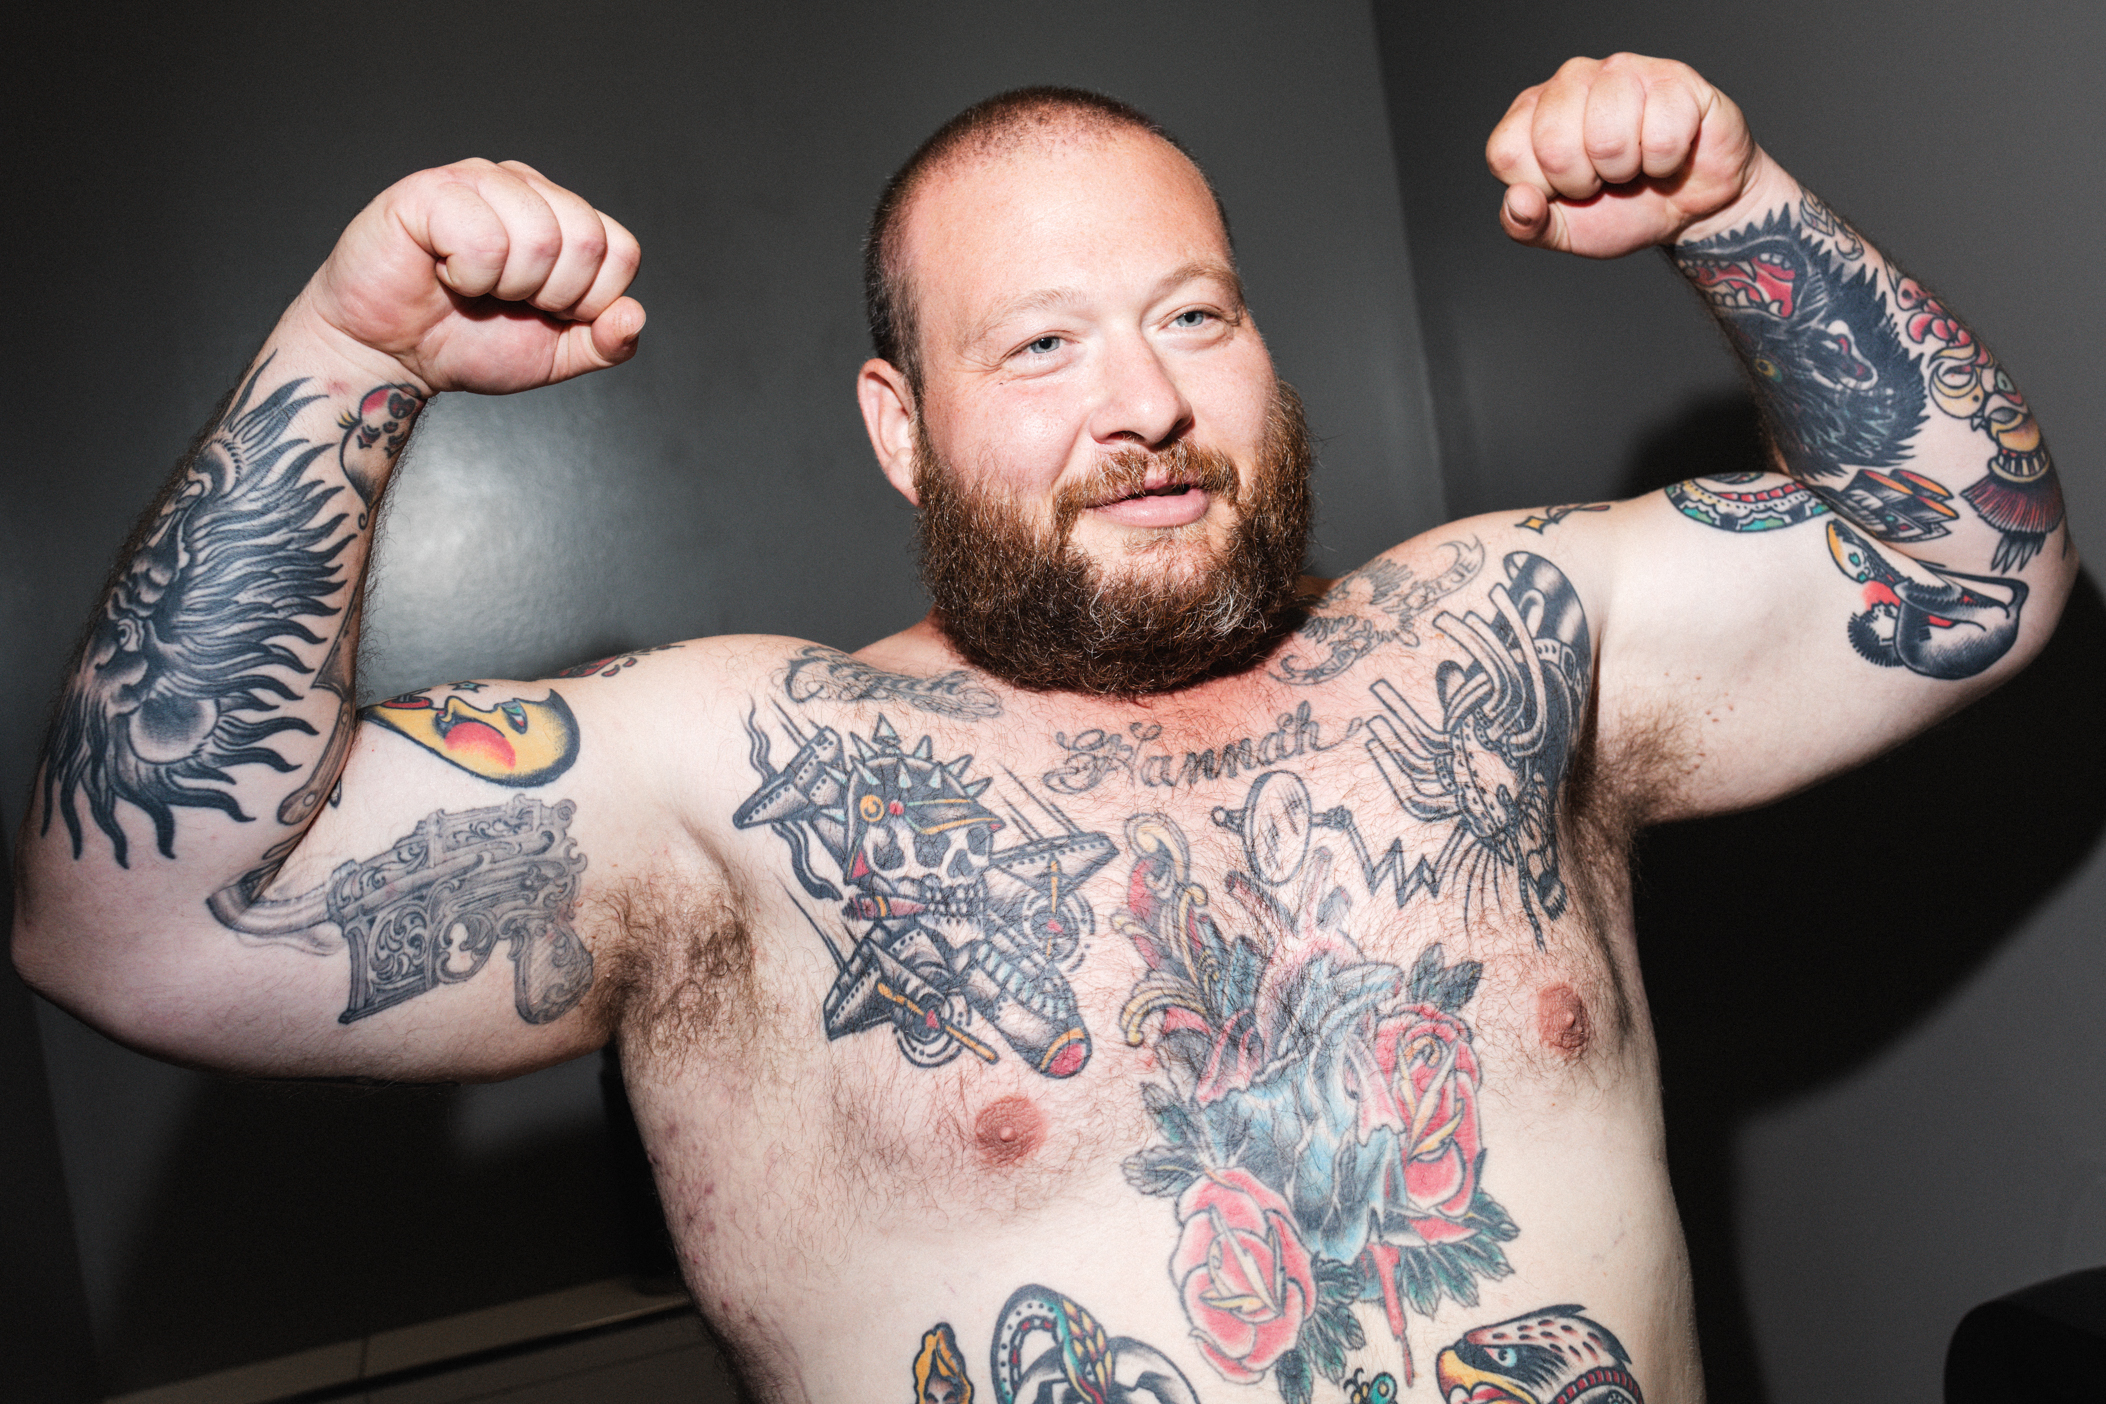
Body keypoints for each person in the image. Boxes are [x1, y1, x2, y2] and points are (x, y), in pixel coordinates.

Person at [11, 53, 2070, 1402]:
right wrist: (350, 358)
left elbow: (1971, 566)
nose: (1144, 402)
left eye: (1194, 316)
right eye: (1041, 345)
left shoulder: (1503, 647)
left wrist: (1737, 204)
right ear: (901, 430)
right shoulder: (738, 786)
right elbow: (146, 919)